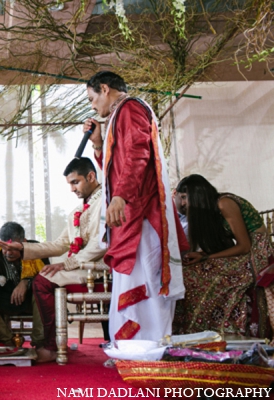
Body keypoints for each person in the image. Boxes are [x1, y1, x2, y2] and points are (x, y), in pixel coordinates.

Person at [84, 71, 188, 342]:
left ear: (104, 89)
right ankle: (134, 349)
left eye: (92, 98)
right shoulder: (122, 113)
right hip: (131, 215)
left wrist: (121, 196)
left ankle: (149, 349)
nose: (92, 106)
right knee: (133, 282)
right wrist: (97, 144)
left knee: (146, 285)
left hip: (141, 215)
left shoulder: (130, 109)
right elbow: (116, 170)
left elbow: (137, 153)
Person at [0, 157, 105, 362]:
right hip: (82, 267)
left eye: (75, 182)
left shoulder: (105, 204)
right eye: (70, 184)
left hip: (98, 267)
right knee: (43, 276)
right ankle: (48, 344)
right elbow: (59, 244)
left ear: (91, 176)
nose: (72, 189)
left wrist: (67, 264)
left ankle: (49, 346)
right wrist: (22, 247)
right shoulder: (78, 211)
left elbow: (100, 245)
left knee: (41, 281)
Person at [173, 174, 274, 338]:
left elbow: (244, 246)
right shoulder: (210, 211)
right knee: (189, 272)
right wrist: (202, 255)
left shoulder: (224, 203)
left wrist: (207, 258)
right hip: (244, 253)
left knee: (198, 275)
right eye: (180, 198)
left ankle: (216, 329)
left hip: (258, 254)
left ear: (198, 193)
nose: (183, 203)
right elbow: (224, 246)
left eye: (185, 197)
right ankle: (197, 331)